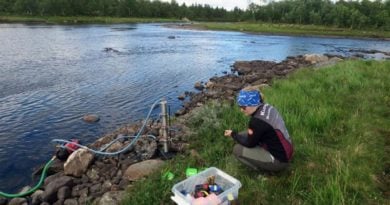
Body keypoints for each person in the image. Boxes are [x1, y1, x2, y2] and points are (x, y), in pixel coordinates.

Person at [224, 88, 293, 172]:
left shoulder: (256, 122)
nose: (241, 110)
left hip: (279, 161)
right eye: (240, 106)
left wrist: (233, 134)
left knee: (237, 149)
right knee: (243, 134)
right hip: (286, 150)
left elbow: (249, 144)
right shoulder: (267, 106)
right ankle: (264, 158)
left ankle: (261, 171)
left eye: (243, 107)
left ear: (251, 104)